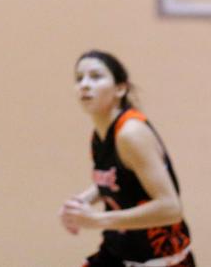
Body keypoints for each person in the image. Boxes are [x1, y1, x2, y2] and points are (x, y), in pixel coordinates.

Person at [60, 50, 193, 267]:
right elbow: (119, 179)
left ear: (120, 88)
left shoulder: (130, 133)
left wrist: (96, 220)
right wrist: (81, 202)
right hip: (118, 252)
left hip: (159, 258)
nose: (84, 84)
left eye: (95, 76)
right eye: (79, 78)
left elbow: (171, 208)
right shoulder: (100, 134)